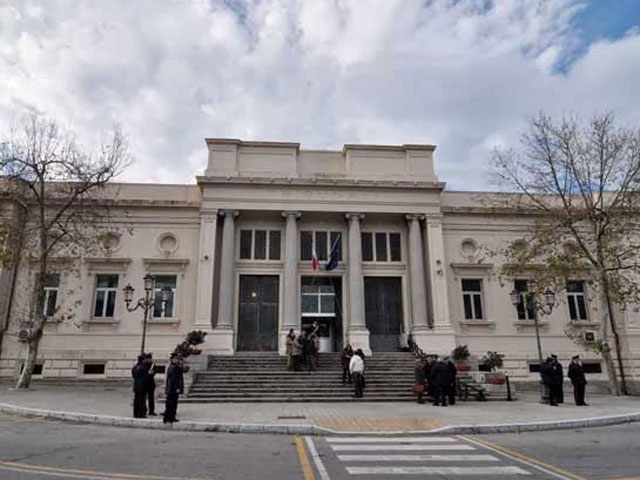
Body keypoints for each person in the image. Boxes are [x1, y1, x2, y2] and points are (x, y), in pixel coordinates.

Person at [163, 353, 184, 424]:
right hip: (172, 389)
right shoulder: (173, 367)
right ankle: (169, 417)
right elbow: (173, 380)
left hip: (172, 388)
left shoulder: (175, 367)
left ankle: (171, 417)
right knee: (171, 404)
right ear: (172, 359)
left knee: (173, 404)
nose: (177, 360)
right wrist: (176, 388)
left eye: (177, 359)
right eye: (176, 359)